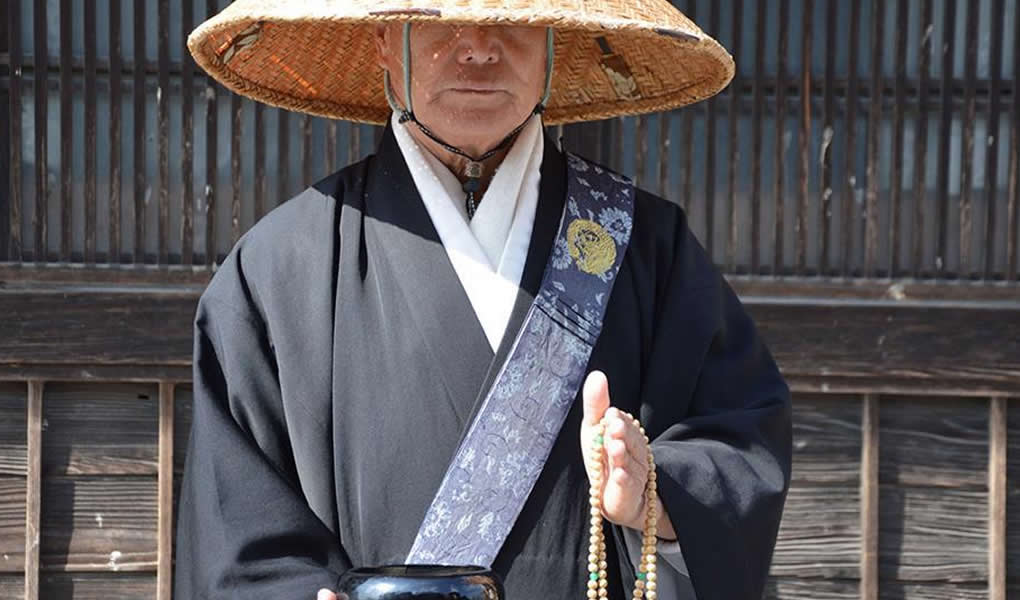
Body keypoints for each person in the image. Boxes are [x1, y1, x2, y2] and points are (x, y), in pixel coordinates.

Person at [177, 1, 792, 599]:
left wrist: (656, 491)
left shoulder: (646, 248)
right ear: (385, 42)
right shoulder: (278, 268)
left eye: (514, 19)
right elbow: (237, 537)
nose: (478, 46)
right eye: (440, 22)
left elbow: (740, 443)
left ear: (555, 40)